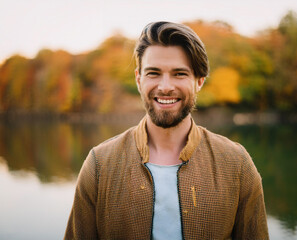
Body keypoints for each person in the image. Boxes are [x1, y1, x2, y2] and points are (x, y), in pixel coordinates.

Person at [64, 21, 269, 239]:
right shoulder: (99, 165)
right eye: (153, 73)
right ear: (138, 79)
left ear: (199, 81)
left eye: (179, 74)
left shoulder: (236, 164)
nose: (165, 86)